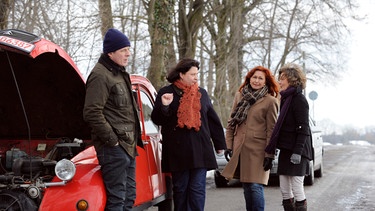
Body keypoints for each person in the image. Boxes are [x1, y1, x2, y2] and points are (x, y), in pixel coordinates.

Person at [151, 58, 226, 211]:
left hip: (200, 149)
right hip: (178, 151)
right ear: (181, 74)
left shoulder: (201, 93)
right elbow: (157, 119)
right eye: (192, 74)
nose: (196, 77)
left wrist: (220, 145)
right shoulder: (166, 92)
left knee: (197, 189)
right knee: (180, 189)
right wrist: (165, 107)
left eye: (197, 74)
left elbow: (212, 120)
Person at [83, 28, 142, 211]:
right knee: (117, 200)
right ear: (110, 52)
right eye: (123, 50)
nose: (128, 54)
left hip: (127, 147)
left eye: (128, 49)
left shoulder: (118, 73)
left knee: (129, 197)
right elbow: (92, 112)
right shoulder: (100, 75)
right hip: (114, 149)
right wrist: (113, 141)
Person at [221, 66, 279, 211]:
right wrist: (229, 145)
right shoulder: (239, 96)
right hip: (240, 148)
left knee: (255, 186)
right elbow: (231, 122)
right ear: (249, 78)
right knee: (247, 186)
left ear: (266, 82)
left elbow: (271, 130)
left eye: (260, 78)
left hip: (259, 151)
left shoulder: (270, 101)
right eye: (254, 77)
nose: (256, 81)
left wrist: (269, 154)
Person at [265, 63, 313, 211]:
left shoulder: (299, 99)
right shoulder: (285, 99)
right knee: (285, 189)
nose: (279, 82)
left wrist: (297, 152)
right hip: (286, 149)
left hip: (298, 150)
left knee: (297, 187)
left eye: (282, 79)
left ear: (292, 80)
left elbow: (303, 128)